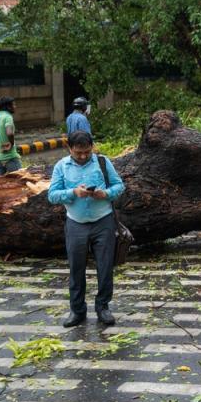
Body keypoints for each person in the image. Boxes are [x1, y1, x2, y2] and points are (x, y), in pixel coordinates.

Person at [47, 131, 125, 327]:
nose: (82, 156)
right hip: (75, 223)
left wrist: (105, 193)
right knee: (76, 267)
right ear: (69, 148)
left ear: (92, 147)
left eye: (86, 152)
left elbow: (119, 186)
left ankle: (103, 307)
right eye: (78, 153)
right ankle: (77, 310)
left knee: (105, 266)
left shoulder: (102, 162)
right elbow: (52, 195)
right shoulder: (61, 166)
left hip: (103, 221)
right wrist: (73, 192)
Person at [0, 96, 21, 175]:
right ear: (8, 107)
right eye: (13, 105)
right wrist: (11, 143)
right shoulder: (7, 117)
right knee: (19, 181)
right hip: (10, 158)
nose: (15, 107)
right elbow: (9, 133)